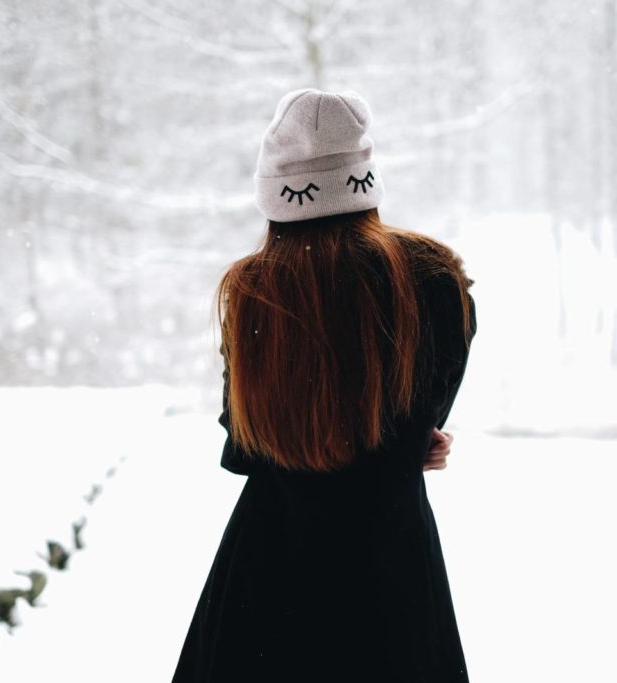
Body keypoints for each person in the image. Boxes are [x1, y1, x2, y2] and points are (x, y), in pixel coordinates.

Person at [170, 87, 477, 683]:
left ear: (275, 195)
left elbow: (243, 447)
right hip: (393, 566)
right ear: (363, 179)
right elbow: (421, 413)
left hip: (271, 570)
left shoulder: (256, 288)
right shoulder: (435, 282)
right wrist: (411, 443)